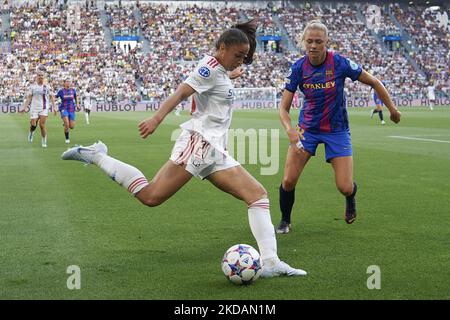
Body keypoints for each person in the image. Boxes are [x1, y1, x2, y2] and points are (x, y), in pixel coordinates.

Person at [61, 20, 307, 278]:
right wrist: (157, 118)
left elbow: (218, 79)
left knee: (257, 196)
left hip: (214, 149)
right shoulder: (208, 68)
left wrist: (231, 73)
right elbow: (181, 92)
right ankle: (97, 155)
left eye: (244, 57)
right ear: (222, 48)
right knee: (151, 196)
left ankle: (270, 262)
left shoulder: (220, 69)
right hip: (199, 144)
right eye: (237, 56)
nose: (240, 61)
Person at [276, 20, 401, 234]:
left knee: (344, 186)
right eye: (309, 41)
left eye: (318, 42)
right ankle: (285, 220)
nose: (313, 46)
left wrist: (392, 109)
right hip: (307, 130)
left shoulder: (340, 63)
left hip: (337, 130)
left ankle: (351, 197)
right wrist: (290, 128)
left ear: (327, 42)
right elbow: (283, 108)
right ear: (303, 42)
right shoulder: (298, 68)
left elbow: (374, 82)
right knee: (288, 180)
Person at [20, 72, 56, 148]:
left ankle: (43, 140)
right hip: (34, 108)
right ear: (37, 77)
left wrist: (54, 107)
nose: (40, 77)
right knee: (33, 124)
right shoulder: (33, 87)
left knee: (42, 125)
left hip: (44, 108)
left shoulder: (47, 87)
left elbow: (52, 97)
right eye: (39, 75)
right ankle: (31, 132)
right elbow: (29, 98)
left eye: (42, 75)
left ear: (44, 77)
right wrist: (24, 107)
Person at [56, 79, 79, 143]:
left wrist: (77, 104)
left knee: (71, 126)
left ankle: (66, 123)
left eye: (69, 81)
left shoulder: (73, 90)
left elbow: (76, 97)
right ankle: (67, 138)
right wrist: (55, 104)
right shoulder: (61, 91)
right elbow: (55, 97)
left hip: (71, 109)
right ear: (64, 83)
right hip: (63, 108)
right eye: (67, 82)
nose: (68, 83)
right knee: (67, 124)